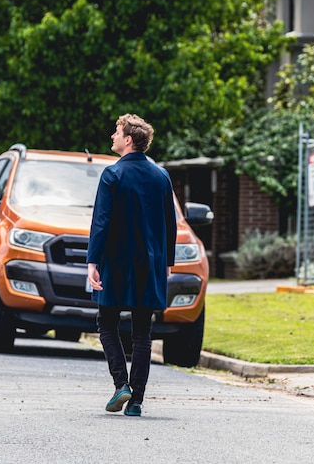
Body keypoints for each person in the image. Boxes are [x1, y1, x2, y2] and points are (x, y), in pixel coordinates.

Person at [87, 114, 176, 417]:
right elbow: (169, 223)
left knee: (106, 323)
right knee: (142, 332)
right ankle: (136, 401)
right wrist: (167, 262)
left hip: (116, 261)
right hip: (150, 263)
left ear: (128, 140)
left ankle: (121, 384)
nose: (112, 136)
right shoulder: (161, 176)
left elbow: (101, 222)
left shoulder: (112, 175)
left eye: (116, 131)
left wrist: (93, 261)